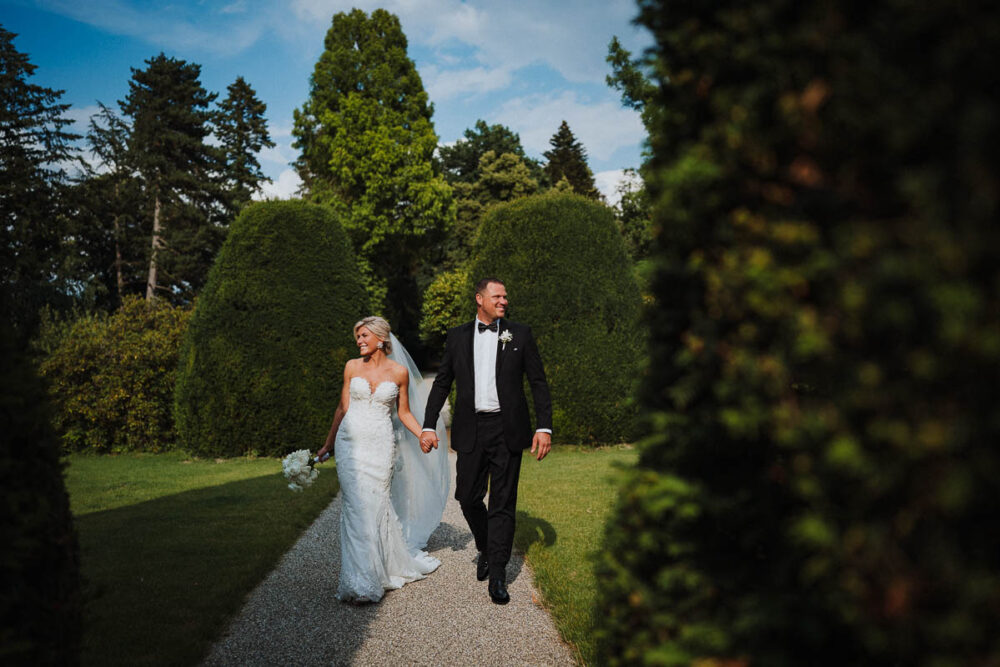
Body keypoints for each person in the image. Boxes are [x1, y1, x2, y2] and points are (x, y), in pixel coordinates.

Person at [420, 278, 553, 605]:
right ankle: (485, 543)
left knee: (503, 501)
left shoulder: (520, 334)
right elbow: (441, 384)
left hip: (507, 429)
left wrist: (544, 427)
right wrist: (427, 425)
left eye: (506, 296)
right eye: (498, 296)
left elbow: (538, 382)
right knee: (467, 496)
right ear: (480, 299)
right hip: (471, 429)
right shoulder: (457, 336)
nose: (504, 301)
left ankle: (497, 573)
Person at [315, 316, 449, 603]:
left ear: (380, 339)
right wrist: (328, 444)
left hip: (380, 445)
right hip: (350, 444)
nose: (360, 342)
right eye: (358, 338)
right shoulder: (352, 367)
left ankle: (383, 567)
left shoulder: (398, 372)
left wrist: (423, 434)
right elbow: (342, 408)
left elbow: (403, 413)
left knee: (376, 504)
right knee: (355, 507)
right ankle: (360, 581)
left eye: (364, 336)